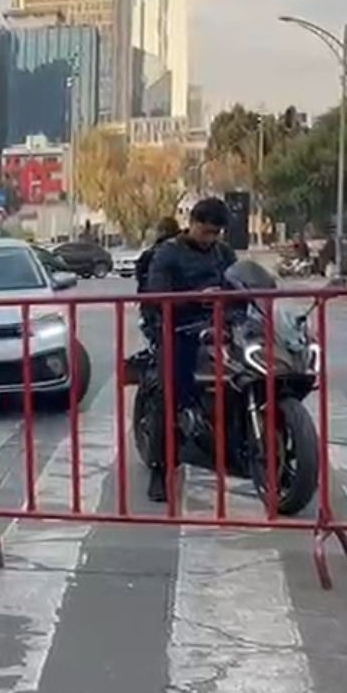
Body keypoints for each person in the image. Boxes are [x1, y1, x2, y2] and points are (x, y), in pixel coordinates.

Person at [142, 197, 237, 502]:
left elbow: (240, 283)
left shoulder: (224, 253)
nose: (211, 238)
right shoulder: (168, 253)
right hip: (178, 327)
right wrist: (197, 296)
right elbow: (157, 295)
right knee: (168, 394)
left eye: (216, 233)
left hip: (221, 326)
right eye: (206, 231)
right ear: (193, 223)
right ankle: (160, 469)